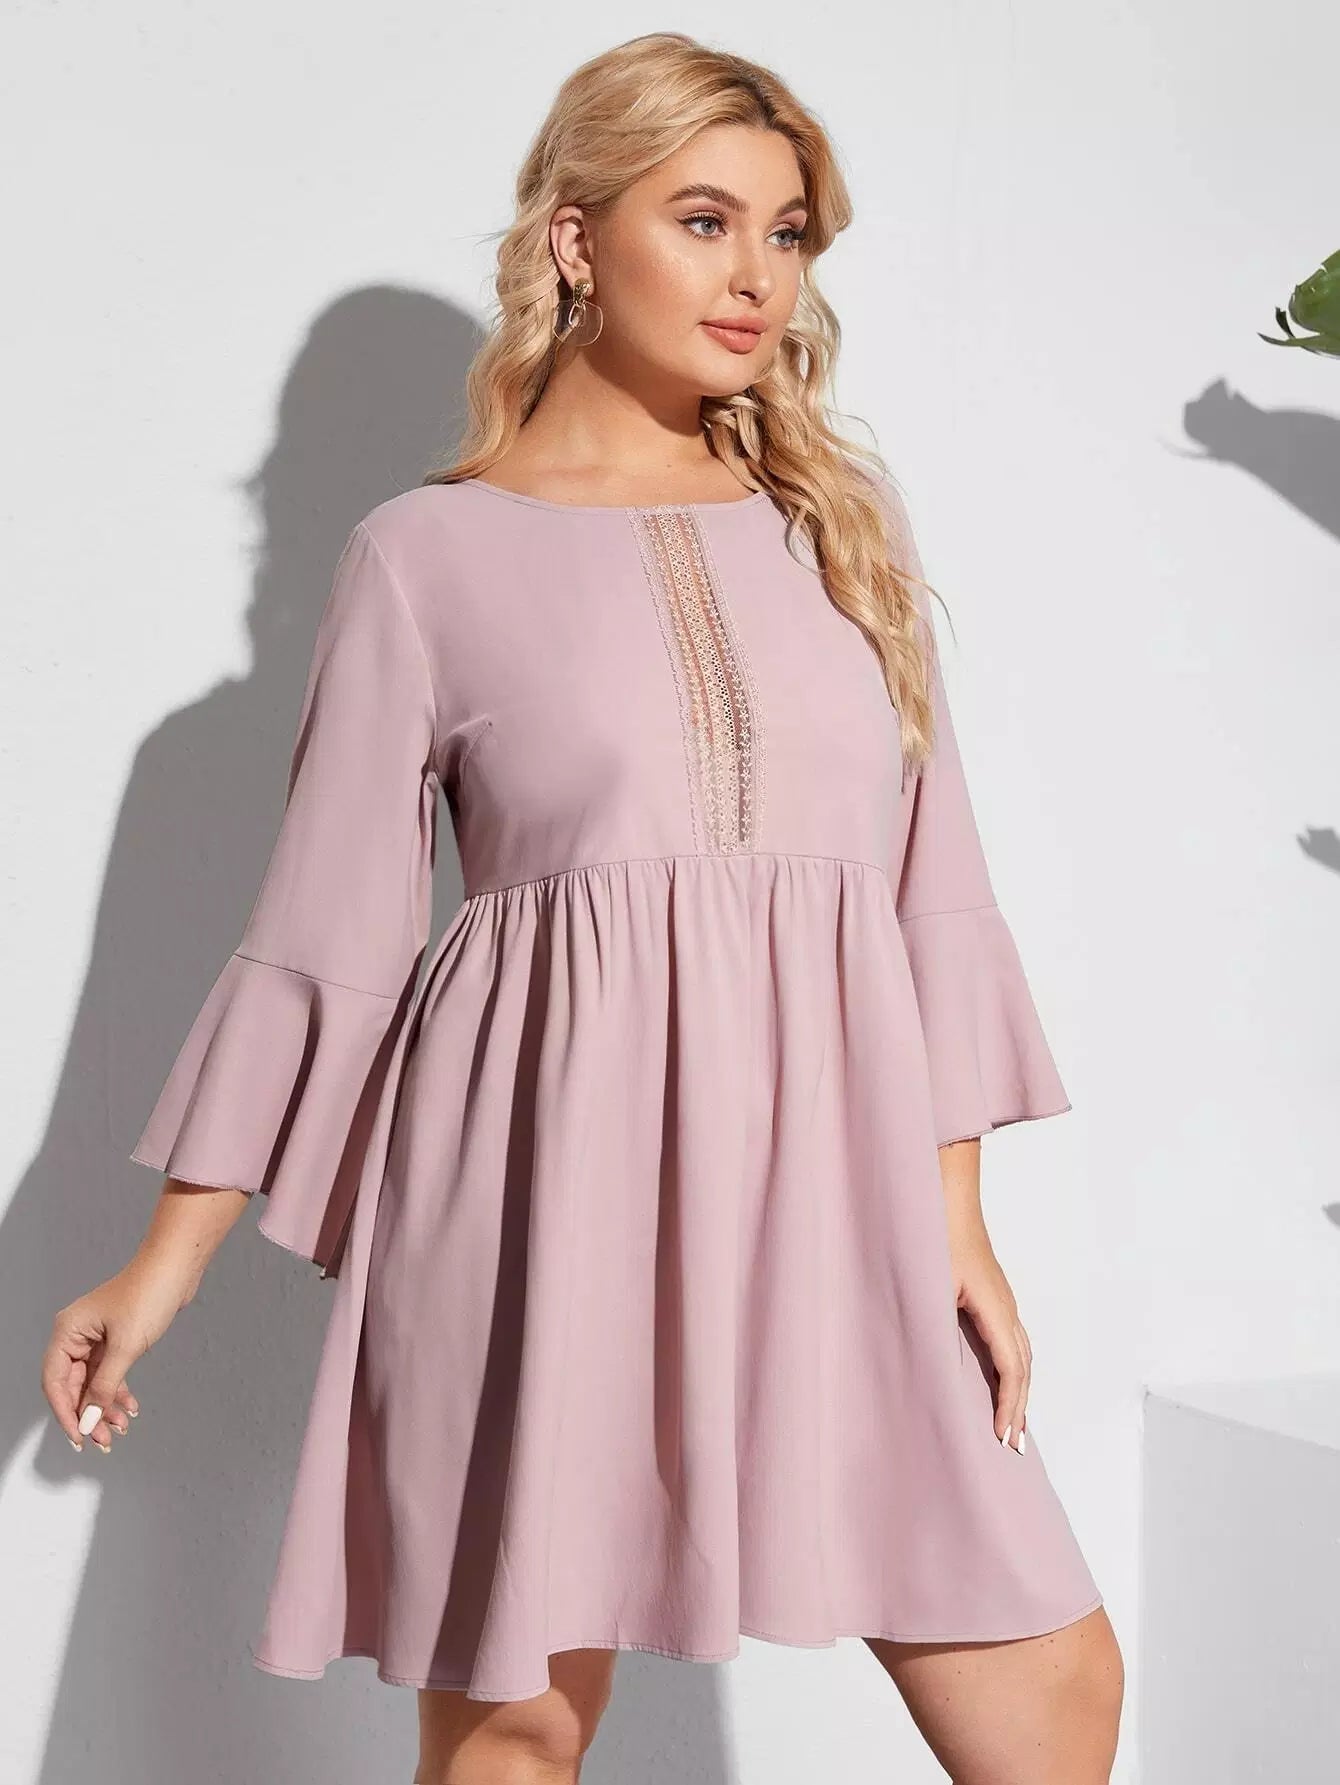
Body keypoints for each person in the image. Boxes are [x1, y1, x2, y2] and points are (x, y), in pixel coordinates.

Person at [42, 30, 1123, 1785]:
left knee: (1053, 1684)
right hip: (539, 1202)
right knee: (522, 1726)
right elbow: (325, 940)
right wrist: (162, 1262)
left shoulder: (841, 526)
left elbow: (932, 890)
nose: (756, 276)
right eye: (704, 220)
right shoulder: (426, 556)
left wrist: (958, 1218)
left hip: (830, 1193)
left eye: (786, 233)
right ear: (574, 238)